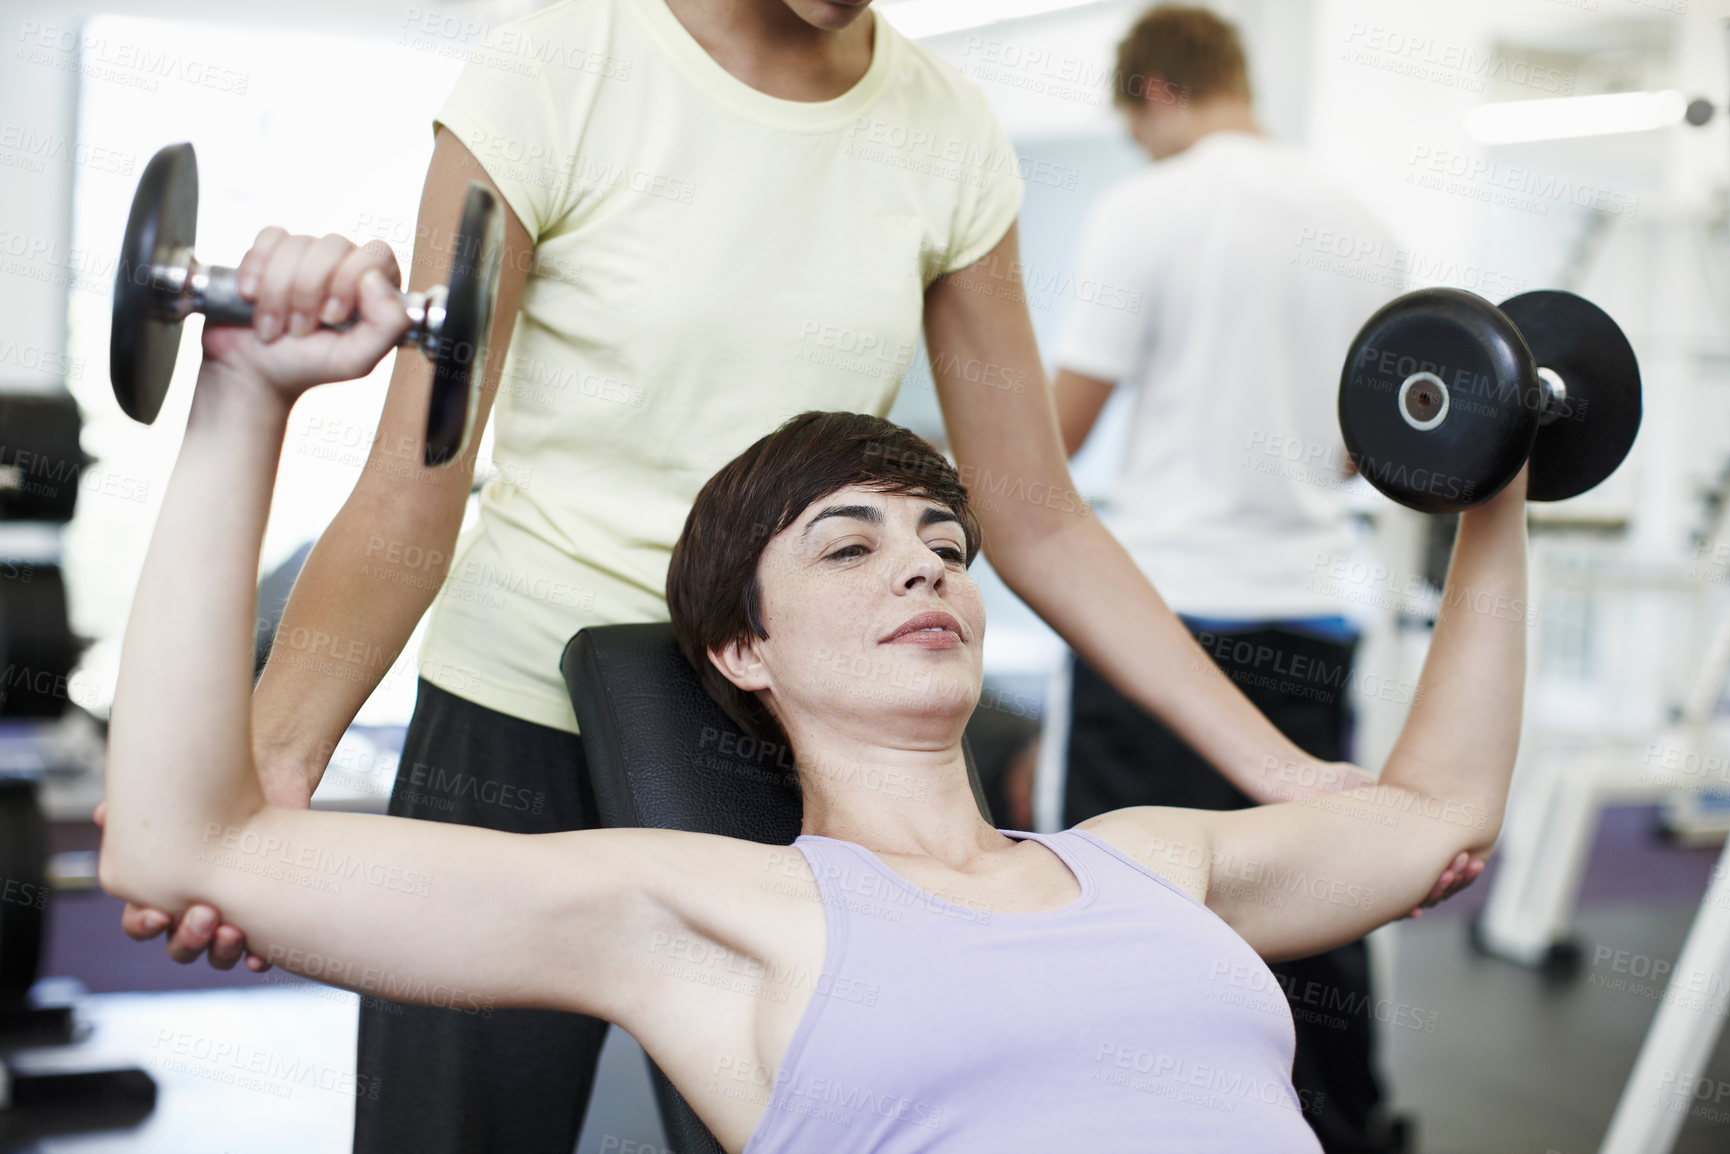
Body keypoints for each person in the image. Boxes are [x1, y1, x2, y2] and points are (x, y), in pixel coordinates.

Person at [108, 3, 1478, 1149]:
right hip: (516, 687)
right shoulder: (562, 63)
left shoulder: (943, 127)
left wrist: (1276, 763)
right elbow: (417, 484)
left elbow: (1036, 513)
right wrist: (268, 792)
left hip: (767, 697)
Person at [1048, 8, 1447, 1152]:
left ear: (1156, 94)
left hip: (1160, 624)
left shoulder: (1149, 209)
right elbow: (1354, 449)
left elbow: (1053, 440)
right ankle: (1345, 1124)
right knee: (1314, 897)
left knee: (1128, 902)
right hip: (1305, 607)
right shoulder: (1361, 228)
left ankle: (1121, 1123)